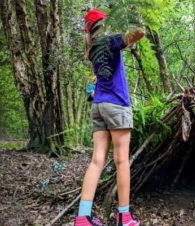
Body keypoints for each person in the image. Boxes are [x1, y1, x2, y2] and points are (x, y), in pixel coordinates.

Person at [74, 8, 145, 226]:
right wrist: (131, 13)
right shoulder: (110, 41)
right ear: (103, 24)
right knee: (121, 160)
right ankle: (124, 217)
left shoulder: (93, 49)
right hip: (116, 105)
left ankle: (82, 217)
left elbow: (97, 82)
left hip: (98, 106)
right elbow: (140, 32)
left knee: (97, 160)